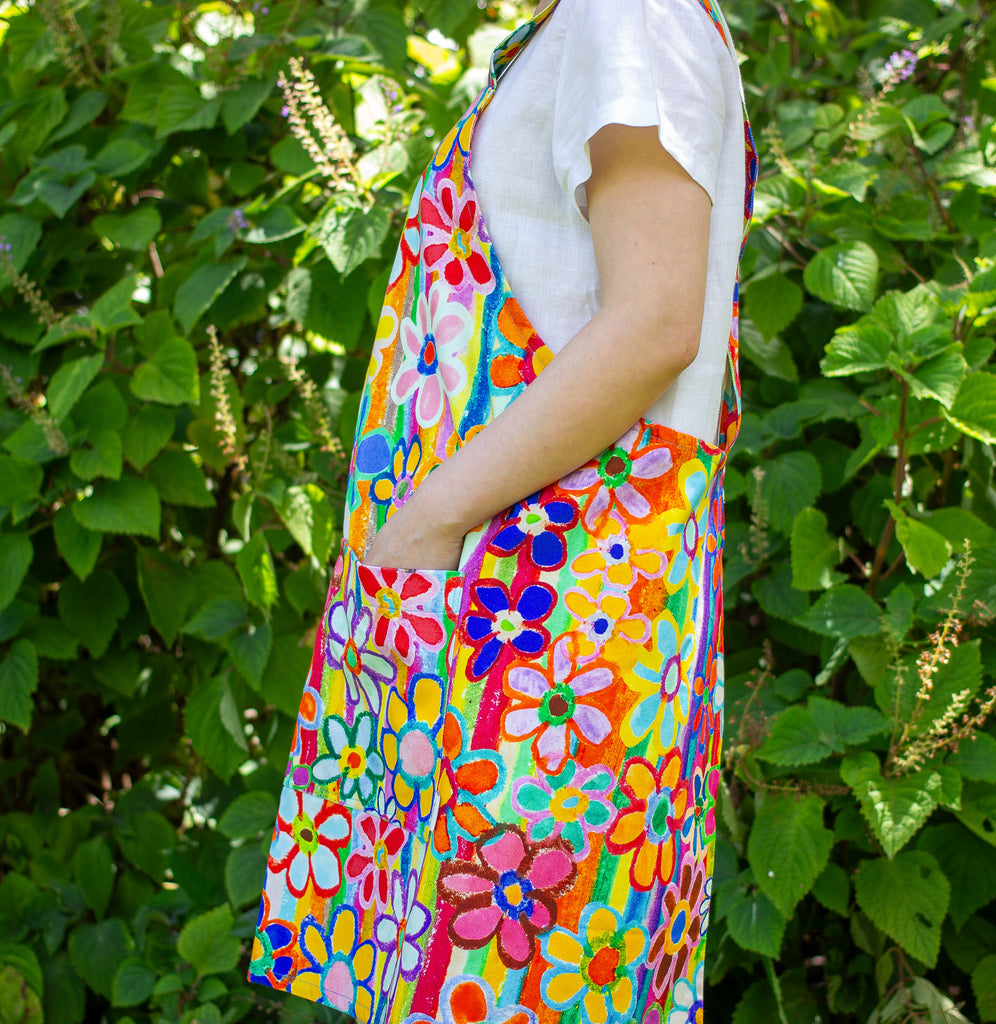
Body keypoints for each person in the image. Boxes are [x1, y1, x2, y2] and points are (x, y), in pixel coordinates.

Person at [249, 0, 758, 1021]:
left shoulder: (630, 19)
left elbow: (655, 324)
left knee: (514, 974)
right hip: (508, 618)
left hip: (541, 630)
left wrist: (428, 520)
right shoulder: (585, 24)